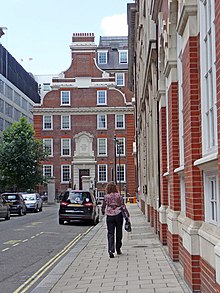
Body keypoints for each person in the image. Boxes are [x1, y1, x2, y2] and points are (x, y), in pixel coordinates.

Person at [102, 181, 130, 258]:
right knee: (119, 232)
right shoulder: (119, 196)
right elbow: (123, 206)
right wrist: (127, 215)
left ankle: (111, 250)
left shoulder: (106, 196)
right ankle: (118, 248)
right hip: (118, 215)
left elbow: (103, 206)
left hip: (109, 216)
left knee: (110, 233)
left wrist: (103, 211)